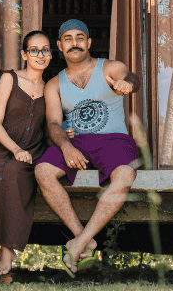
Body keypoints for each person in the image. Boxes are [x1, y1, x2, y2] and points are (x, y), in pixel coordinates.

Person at [34, 19, 142, 276]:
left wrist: (129, 83)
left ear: (89, 42)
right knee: (43, 171)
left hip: (114, 140)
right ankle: (84, 238)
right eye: (68, 39)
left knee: (125, 175)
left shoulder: (109, 67)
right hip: (76, 143)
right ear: (60, 46)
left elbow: (130, 77)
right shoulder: (54, 84)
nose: (75, 43)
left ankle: (79, 244)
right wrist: (66, 146)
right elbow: (53, 123)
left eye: (80, 37)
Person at [0, 30, 53, 275]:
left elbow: (50, 126)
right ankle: (6, 250)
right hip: (0, 147)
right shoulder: (9, 79)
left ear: (50, 54)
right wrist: (15, 148)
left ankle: (7, 250)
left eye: (45, 49)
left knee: (15, 173)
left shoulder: (51, 87)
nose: (40, 54)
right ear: (25, 54)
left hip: (32, 151)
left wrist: (64, 134)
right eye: (34, 50)